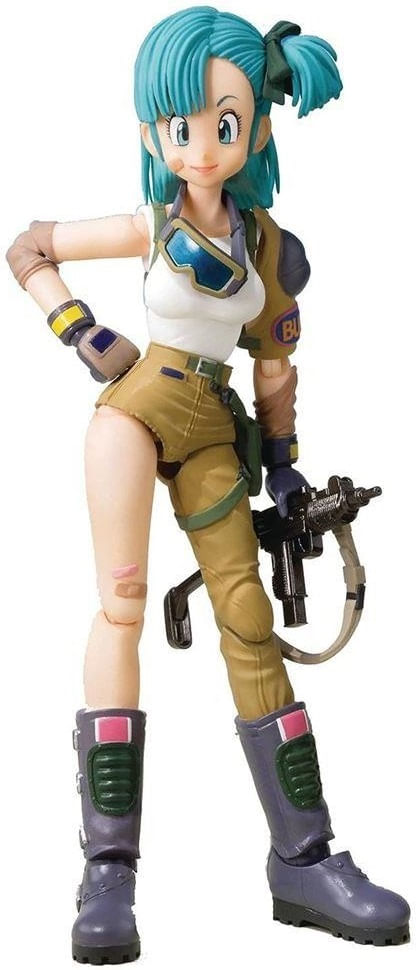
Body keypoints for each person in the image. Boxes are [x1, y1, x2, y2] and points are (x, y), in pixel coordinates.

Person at [6, 6, 410, 964]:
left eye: (222, 124)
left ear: (255, 129)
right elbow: (28, 247)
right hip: (135, 409)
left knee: (248, 618)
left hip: (218, 436)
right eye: (178, 125)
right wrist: (80, 331)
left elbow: (274, 365)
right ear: (154, 130)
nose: (198, 146)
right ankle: (109, 872)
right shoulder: (150, 225)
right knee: (122, 603)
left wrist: (287, 459)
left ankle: (303, 858)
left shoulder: (271, 249)